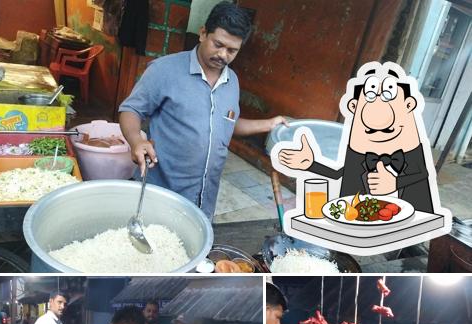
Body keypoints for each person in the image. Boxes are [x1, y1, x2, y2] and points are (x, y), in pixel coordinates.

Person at [119, 1, 288, 220]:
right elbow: (130, 110)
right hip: (161, 193)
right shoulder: (164, 70)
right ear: (202, 34)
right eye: (218, 44)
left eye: (232, 50)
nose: (223, 55)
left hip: (203, 200)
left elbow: (227, 123)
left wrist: (268, 124)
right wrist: (136, 141)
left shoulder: (232, 81)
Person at [278, 63, 434, 212]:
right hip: (356, 222)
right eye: (371, 96)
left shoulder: (409, 147)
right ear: (354, 106)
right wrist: (311, 164)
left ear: (409, 105)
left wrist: (395, 183)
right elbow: (343, 174)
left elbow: (422, 176)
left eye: (388, 95)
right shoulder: (360, 146)